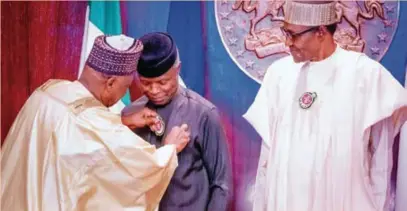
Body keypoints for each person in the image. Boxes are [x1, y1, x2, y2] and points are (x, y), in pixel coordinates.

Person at [243, 1, 407, 211]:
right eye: (285, 32)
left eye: (293, 34)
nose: (287, 42)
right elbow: (266, 159)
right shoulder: (279, 74)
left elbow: (381, 164)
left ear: (321, 31)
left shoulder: (366, 75)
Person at [1, 34, 190, 211]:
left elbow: (73, 141)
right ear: (110, 83)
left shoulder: (46, 93)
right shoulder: (90, 124)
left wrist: (121, 122)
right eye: (125, 87)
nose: (124, 94)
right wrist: (169, 150)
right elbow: (134, 170)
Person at [121, 32, 232, 211]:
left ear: (177, 69)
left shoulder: (204, 113)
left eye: (163, 82)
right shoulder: (130, 115)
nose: (154, 90)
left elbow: (221, 185)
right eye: (146, 83)